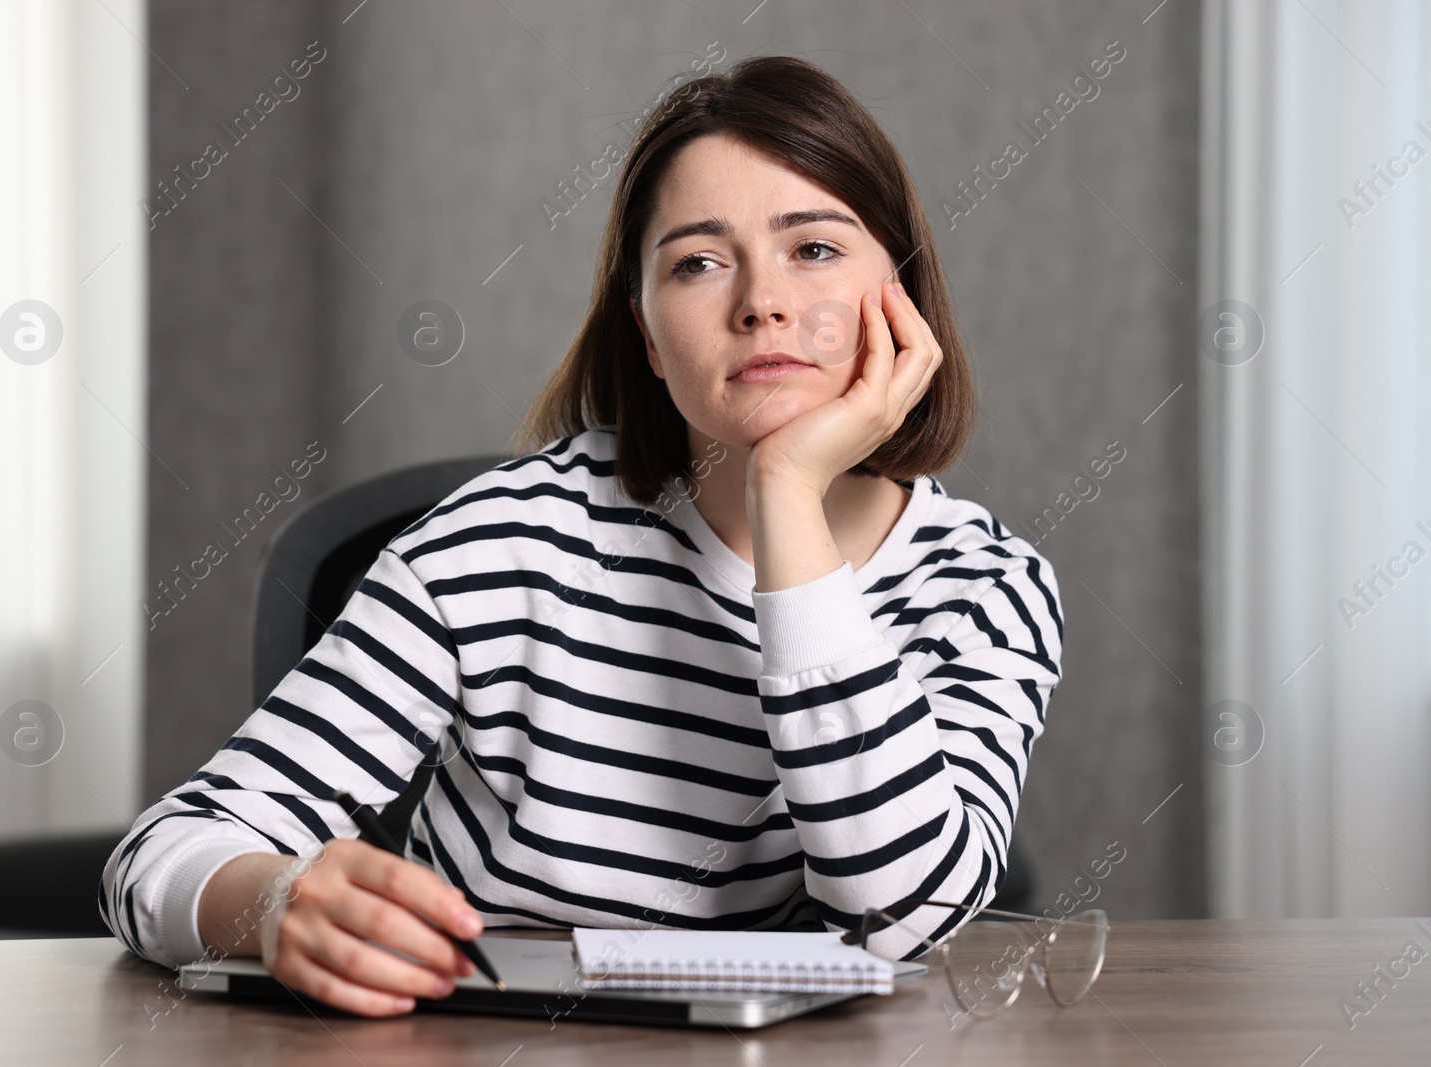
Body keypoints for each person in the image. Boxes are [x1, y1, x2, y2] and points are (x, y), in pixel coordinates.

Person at [101, 53, 1064, 1019]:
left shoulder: (986, 587)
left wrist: (786, 492)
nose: (760, 302)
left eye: (813, 248)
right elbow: (161, 852)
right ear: (647, 335)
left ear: (902, 295)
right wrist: (275, 902)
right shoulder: (501, 545)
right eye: (697, 261)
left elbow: (900, 911)